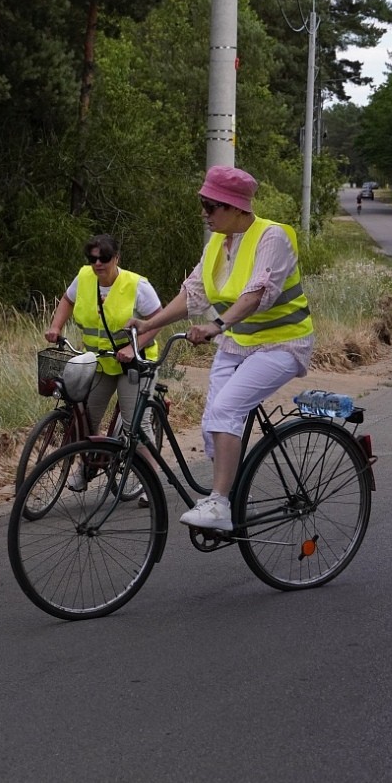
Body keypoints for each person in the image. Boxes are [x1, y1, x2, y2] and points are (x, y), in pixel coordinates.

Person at [129, 165, 314, 531]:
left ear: (234, 207)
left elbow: (257, 294)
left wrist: (216, 326)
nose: (204, 213)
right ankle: (226, 488)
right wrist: (150, 324)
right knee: (213, 417)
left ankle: (219, 503)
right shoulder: (218, 241)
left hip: (283, 344)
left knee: (228, 408)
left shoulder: (273, 238)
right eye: (203, 204)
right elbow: (193, 293)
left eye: (210, 206)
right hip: (238, 343)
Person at [44, 233, 162, 490]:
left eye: (104, 258)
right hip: (101, 361)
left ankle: (152, 481)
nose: (97, 263)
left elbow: (158, 320)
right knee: (86, 417)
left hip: (135, 363)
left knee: (136, 426)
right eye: (92, 258)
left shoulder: (136, 285)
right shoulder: (84, 277)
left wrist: (134, 348)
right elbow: (67, 299)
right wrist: (56, 326)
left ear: (116, 258)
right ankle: (86, 467)